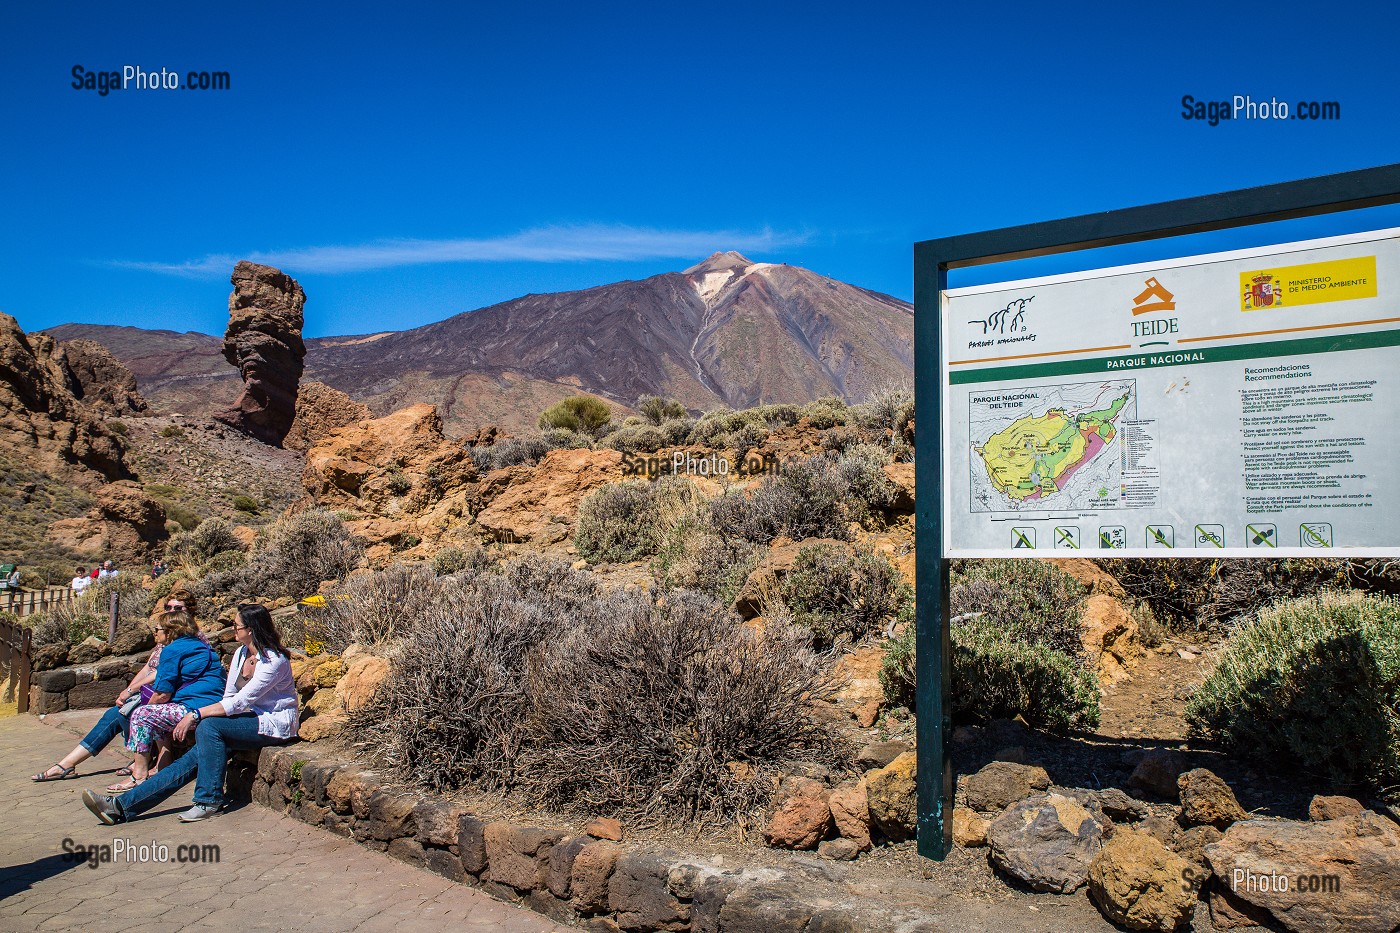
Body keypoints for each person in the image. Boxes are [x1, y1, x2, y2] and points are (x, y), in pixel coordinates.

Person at [84, 603, 299, 824]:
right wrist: (205, 714)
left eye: (236, 626)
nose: (234, 630)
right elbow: (229, 696)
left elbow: (240, 702)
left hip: (273, 724)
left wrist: (195, 714)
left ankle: (208, 800)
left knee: (209, 726)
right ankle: (120, 806)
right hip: (246, 719)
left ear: (251, 629)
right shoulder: (241, 653)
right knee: (189, 760)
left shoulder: (273, 660)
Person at [30, 598, 220, 784]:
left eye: (177, 607)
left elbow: (162, 686)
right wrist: (128, 691)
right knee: (120, 713)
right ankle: (70, 763)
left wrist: (135, 695)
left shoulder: (180, 645)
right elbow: (149, 668)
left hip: (187, 700)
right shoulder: (176, 643)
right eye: (168, 607)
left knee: (137, 714)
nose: (171, 611)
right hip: (185, 697)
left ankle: (139, 772)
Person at [116, 610, 224, 790]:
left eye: (158, 629)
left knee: (142, 715)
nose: (155, 632)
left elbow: (162, 694)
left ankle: (139, 774)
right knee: (153, 713)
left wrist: (146, 708)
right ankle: (162, 765)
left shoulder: (172, 650)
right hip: (213, 704)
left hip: (193, 707)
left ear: (170, 631)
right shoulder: (201, 646)